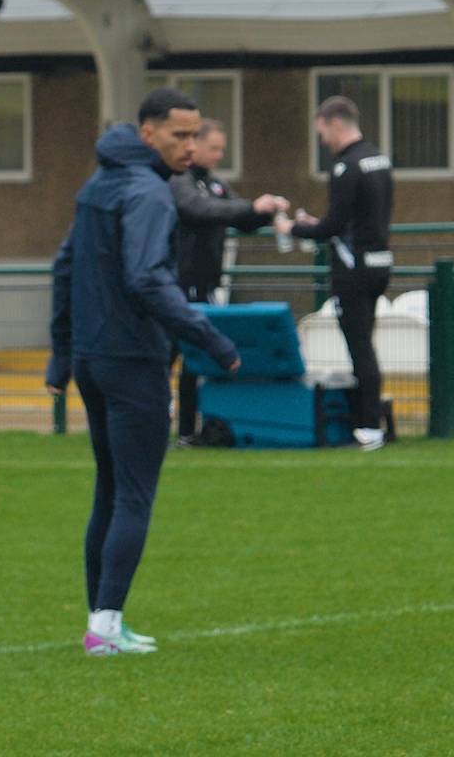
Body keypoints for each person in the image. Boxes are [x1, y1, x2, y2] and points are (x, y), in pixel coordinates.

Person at [46, 88, 241, 656]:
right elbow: (148, 279)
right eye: (180, 135)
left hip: (92, 359)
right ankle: (105, 626)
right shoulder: (149, 193)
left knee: (109, 490)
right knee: (133, 494)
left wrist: (62, 353)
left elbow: (63, 268)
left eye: (195, 134)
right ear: (148, 132)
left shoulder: (97, 184)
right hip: (133, 360)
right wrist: (210, 337)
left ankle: (101, 620)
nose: (191, 145)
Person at [275, 96, 395, 451]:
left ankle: (369, 428)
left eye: (322, 132)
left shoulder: (346, 167)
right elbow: (353, 220)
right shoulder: (379, 159)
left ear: (335, 123)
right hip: (379, 262)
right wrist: (322, 225)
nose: (323, 141)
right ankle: (368, 422)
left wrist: (292, 229)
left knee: (359, 347)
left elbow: (331, 227)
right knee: (365, 343)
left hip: (353, 270)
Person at [170, 118, 286, 442]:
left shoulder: (216, 185)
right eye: (214, 148)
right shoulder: (180, 181)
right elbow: (199, 210)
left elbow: (239, 216)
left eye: (222, 148)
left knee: (197, 360)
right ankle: (155, 427)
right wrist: (249, 206)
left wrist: (265, 211)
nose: (219, 155)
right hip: (176, 287)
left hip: (204, 288)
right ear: (195, 147)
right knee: (164, 358)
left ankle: (189, 431)